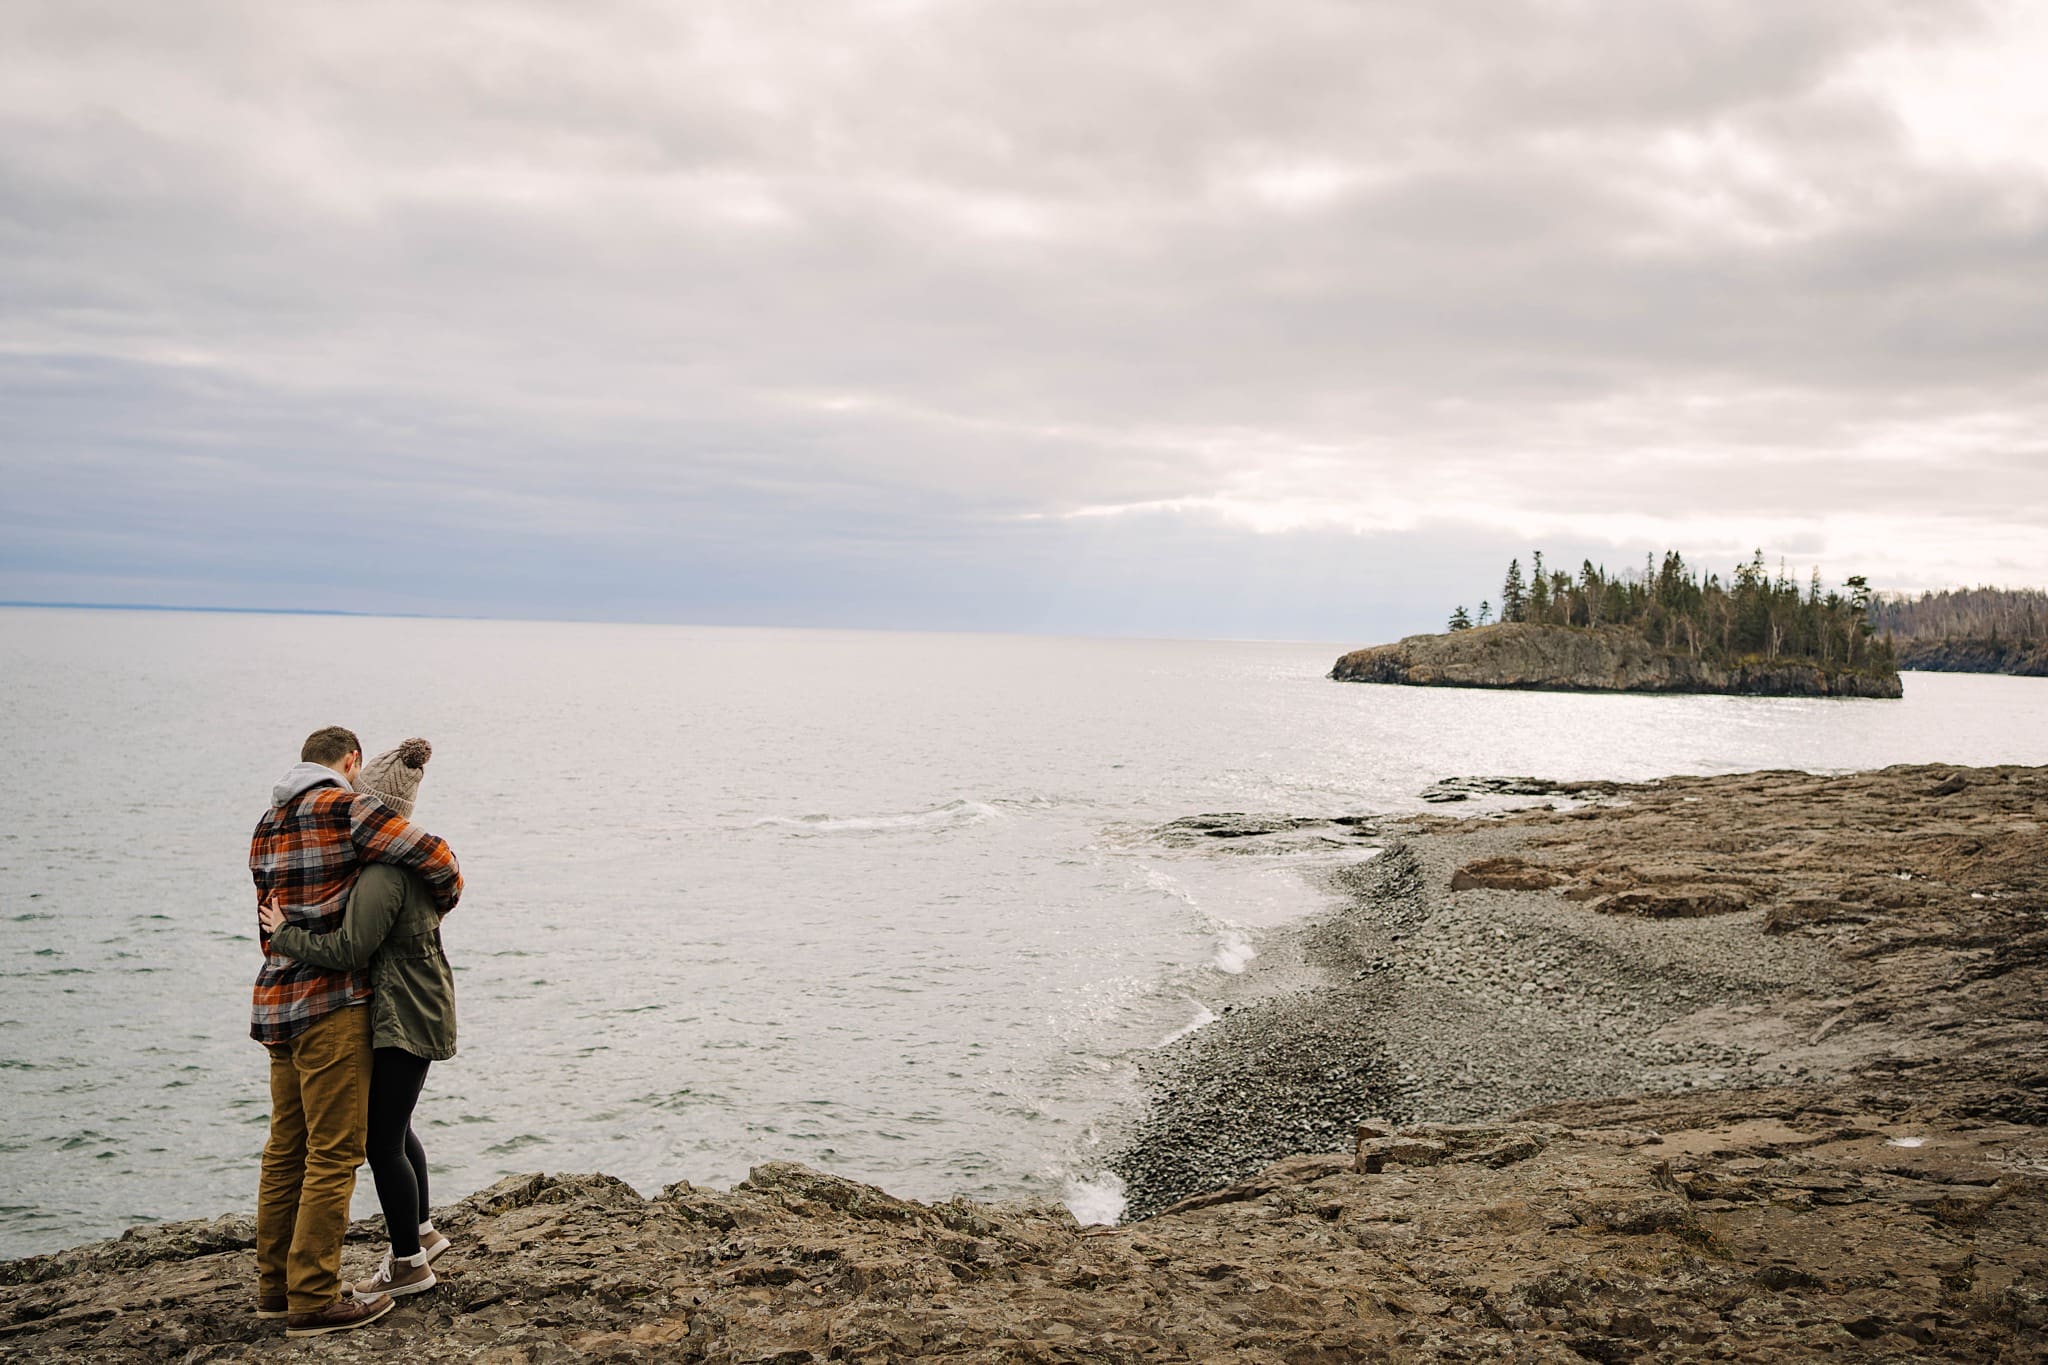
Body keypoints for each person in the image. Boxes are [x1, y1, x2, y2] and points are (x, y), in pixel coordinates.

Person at [250, 725, 462, 1339]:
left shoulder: (267, 822)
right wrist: (443, 899)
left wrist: (288, 936)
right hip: (330, 1004)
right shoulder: (349, 809)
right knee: (337, 1151)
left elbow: (269, 924)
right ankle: (313, 1299)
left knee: (284, 1150)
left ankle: (275, 1290)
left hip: (275, 1002)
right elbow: (440, 857)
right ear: (351, 763)